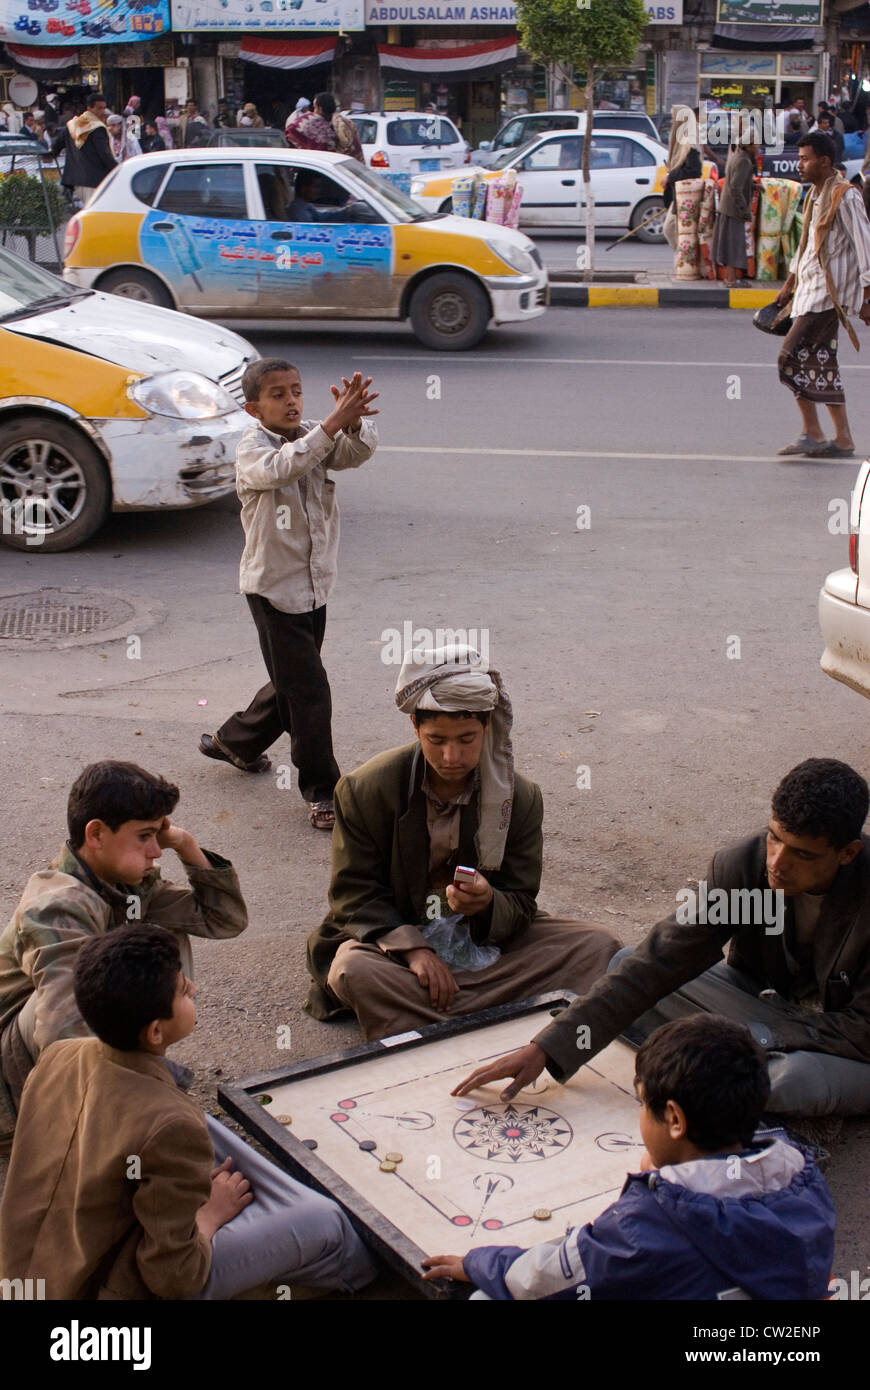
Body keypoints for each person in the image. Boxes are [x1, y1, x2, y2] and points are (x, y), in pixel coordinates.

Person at [453, 758, 870, 1122]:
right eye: (775, 837)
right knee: (626, 963)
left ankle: (735, 1063)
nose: (777, 863)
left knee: (788, 1081)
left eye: (802, 854)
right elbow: (661, 958)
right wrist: (547, 1048)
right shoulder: (744, 865)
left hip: (846, 1043)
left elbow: (861, 1031)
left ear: (847, 853)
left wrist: (762, 1037)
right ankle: (729, 1065)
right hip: (767, 1010)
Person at [0, 925, 377, 1299]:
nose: (192, 988)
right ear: (155, 1034)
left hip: (26, 1273)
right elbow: (174, 1277)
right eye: (183, 990)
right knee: (326, 1222)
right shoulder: (169, 1125)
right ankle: (363, 1275)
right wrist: (208, 1216)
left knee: (203, 1130)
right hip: (104, 1287)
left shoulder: (59, 1055)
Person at [305, 643, 621, 1039]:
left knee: (598, 945)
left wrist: (489, 902)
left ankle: (435, 1018)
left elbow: (521, 899)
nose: (451, 755)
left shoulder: (518, 798)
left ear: (487, 728)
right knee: (353, 970)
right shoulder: (366, 789)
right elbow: (353, 895)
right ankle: (503, 1013)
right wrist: (415, 950)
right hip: (396, 942)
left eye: (467, 739)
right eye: (436, 740)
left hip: (480, 936)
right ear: (415, 728)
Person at [423, 1016, 835, 1300]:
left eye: (642, 1105)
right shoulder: (802, 1179)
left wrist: (478, 1262)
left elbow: (545, 1277)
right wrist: (674, 1175)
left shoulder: (645, 1225)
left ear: (674, 1118)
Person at [0, 761, 247, 1136]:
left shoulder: (125, 887)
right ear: (96, 834)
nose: (156, 851)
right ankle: (83, 1122)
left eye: (158, 835)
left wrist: (184, 843)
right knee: (81, 987)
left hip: (51, 1063)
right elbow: (64, 1035)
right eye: (145, 836)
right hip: (16, 1084)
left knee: (160, 941)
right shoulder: (57, 905)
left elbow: (222, 919)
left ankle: (131, 1081)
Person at [200, 361, 379, 832]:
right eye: (277, 394)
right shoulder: (253, 449)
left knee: (293, 683)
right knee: (310, 692)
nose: (291, 401)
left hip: (315, 586)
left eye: (296, 390)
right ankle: (322, 791)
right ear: (253, 408)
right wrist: (332, 423)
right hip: (273, 592)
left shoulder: (312, 436)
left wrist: (353, 421)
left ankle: (235, 741)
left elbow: (355, 453)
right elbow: (286, 466)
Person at [775, 131, 870, 458]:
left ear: (824, 161)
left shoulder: (846, 196)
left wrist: (868, 294)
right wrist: (790, 280)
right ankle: (841, 438)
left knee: (789, 356)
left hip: (829, 297)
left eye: (805, 158)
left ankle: (813, 432)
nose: (799, 164)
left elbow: (864, 244)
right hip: (809, 291)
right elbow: (808, 245)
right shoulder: (814, 195)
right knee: (820, 362)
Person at [50, 90, 115, 206]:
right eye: (99, 108)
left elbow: (56, 147)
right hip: (93, 180)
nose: (103, 112)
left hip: (76, 181)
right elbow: (105, 155)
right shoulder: (97, 128)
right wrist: (118, 170)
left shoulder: (72, 125)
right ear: (89, 108)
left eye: (104, 108)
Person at [712, 137, 757, 287]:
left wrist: (753, 185)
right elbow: (736, 187)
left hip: (727, 206)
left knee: (730, 244)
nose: (758, 146)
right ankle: (731, 279)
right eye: (756, 143)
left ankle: (730, 278)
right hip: (733, 208)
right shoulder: (744, 161)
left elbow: (736, 180)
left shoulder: (737, 155)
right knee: (733, 245)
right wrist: (744, 210)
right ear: (749, 145)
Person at [661, 108, 702, 252]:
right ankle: (683, 261)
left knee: (672, 229)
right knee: (672, 229)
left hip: (685, 195)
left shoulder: (689, 142)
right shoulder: (681, 140)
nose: (672, 121)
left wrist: (670, 176)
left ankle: (684, 261)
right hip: (678, 194)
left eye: (674, 118)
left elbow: (694, 170)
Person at [316, 91, 364, 164]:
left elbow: (345, 147)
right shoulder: (343, 121)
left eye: (315, 108)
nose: (314, 111)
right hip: (356, 166)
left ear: (320, 109)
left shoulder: (336, 125)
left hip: (346, 168)